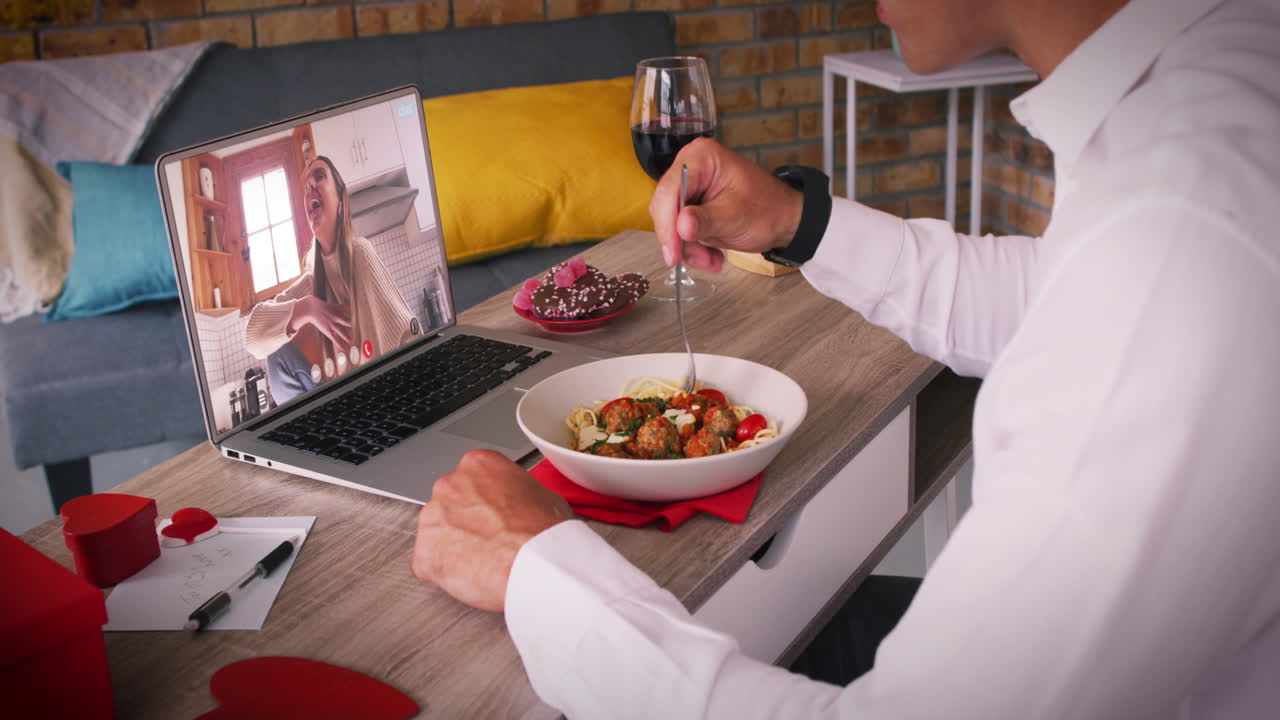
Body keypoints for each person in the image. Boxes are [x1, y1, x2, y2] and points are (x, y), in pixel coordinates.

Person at [412, 0, 1280, 716]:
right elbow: (1056, 300)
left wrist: (539, 573)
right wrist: (799, 222)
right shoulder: (1216, 94)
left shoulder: (1179, 233)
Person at [245, 155, 420, 404]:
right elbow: (253, 340)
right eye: (306, 187)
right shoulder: (312, 282)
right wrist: (308, 308)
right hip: (342, 402)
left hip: (378, 397)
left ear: (340, 198)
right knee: (277, 352)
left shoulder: (359, 252)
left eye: (319, 177)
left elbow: (405, 330)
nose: (310, 188)